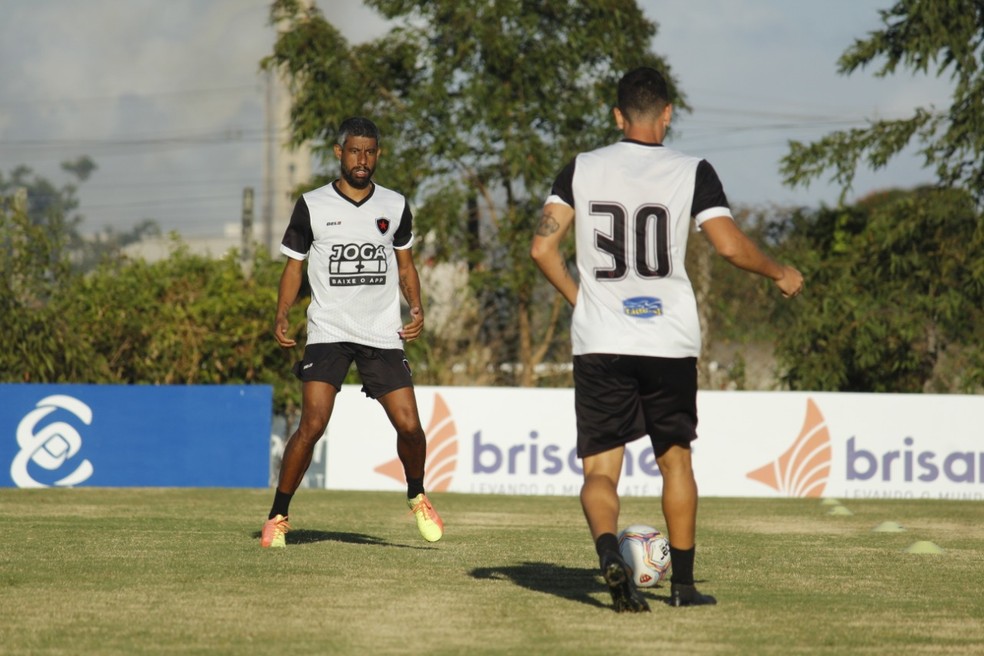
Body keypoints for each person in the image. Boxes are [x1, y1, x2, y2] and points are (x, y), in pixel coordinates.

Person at [530, 67, 803, 611]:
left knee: (601, 470)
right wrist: (778, 272)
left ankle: (610, 550)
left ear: (616, 115)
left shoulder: (580, 169)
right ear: (668, 114)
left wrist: (583, 300)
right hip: (669, 342)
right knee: (675, 461)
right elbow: (727, 246)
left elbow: (542, 249)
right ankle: (682, 587)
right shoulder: (691, 170)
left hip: (601, 341)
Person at [260, 116, 443, 548]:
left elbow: (405, 264)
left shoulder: (395, 205)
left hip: (381, 332)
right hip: (328, 330)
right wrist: (283, 312)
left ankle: (416, 494)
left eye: (370, 152)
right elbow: (294, 266)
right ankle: (278, 515)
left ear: (378, 154)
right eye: (355, 151)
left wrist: (416, 306)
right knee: (313, 424)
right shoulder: (312, 204)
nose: (363, 160)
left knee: (411, 427)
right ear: (339, 153)